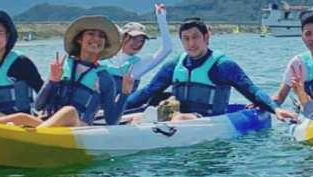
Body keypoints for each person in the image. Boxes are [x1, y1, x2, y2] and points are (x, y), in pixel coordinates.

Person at [122, 18, 298, 122]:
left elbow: (252, 90)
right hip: (176, 121)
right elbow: (147, 91)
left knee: (178, 119)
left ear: (206, 37)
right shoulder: (175, 65)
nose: (191, 44)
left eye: (196, 37)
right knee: (139, 116)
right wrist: (118, 107)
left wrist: (275, 109)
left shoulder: (223, 65)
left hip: (208, 122)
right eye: (186, 39)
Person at [0, 16, 132, 129]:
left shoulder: (104, 78)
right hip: (48, 124)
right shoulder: (62, 66)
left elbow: (112, 120)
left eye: (101, 36)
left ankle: (32, 136)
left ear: (104, 44)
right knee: (8, 115)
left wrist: (125, 93)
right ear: (80, 39)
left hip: (78, 128)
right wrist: (53, 81)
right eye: (91, 34)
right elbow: (38, 106)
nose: (96, 39)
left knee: (69, 111)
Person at [104, 3, 175, 92]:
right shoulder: (105, 57)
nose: (138, 44)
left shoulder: (138, 65)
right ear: (124, 37)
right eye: (134, 39)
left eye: (141, 40)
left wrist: (161, 18)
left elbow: (167, 48)